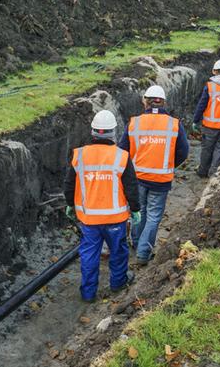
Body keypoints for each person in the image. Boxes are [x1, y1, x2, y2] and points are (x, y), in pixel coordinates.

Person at [63, 110, 141, 302]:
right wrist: (136, 209)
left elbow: (69, 184)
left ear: (93, 132)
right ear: (113, 132)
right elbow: (131, 186)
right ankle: (118, 283)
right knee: (118, 252)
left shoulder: (79, 155)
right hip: (115, 220)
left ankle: (88, 294)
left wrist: (69, 204)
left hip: (89, 219)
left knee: (89, 255)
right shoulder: (121, 156)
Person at [118, 85, 189, 265]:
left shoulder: (134, 123)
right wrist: (169, 166)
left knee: (138, 211)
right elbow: (183, 151)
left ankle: (136, 244)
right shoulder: (174, 124)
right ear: (163, 102)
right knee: (154, 216)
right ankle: (143, 253)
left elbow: (122, 151)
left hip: (137, 178)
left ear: (145, 102)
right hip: (161, 180)